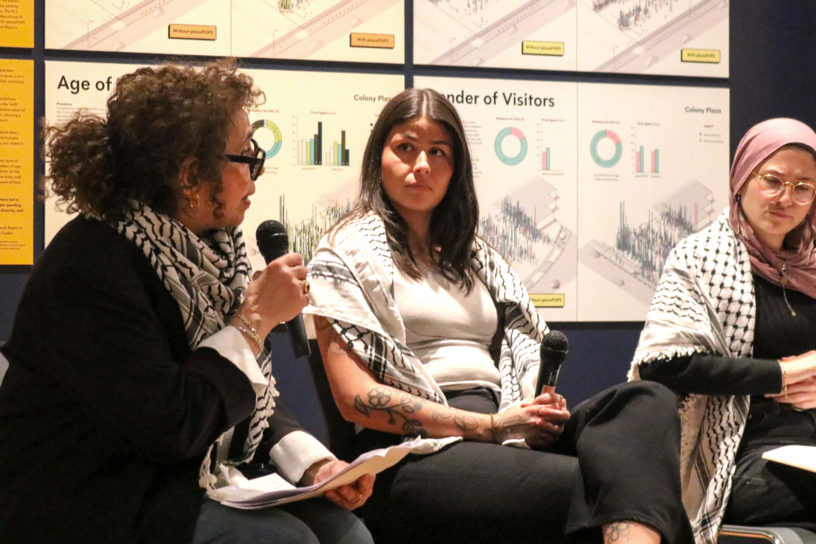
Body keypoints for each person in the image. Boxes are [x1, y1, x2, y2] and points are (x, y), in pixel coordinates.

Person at [0, 60, 374, 544]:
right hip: (92, 494)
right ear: (191, 177)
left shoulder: (212, 251)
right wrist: (254, 321)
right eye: (246, 156)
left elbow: (247, 393)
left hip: (180, 474)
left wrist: (314, 463)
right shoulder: (92, 262)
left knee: (348, 535)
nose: (257, 174)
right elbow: (170, 424)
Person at [304, 88, 694, 544]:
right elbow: (356, 399)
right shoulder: (341, 255)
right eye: (405, 148)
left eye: (438, 152)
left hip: (503, 434)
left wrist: (531, 411)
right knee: (613, 487)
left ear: (456, 169)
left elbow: (517, 354)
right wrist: (488, 428)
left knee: (647, 402)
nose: (422, 164)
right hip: (410, 456)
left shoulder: (474, 256)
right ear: (379, 159)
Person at [630, 117, 816, 543]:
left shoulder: (812, 263)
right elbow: (665, 365)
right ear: (742, 177)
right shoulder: (699, 258)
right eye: (773, 180)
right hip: (738, 455)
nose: (786, 198)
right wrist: (782, 375)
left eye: (803, 187)